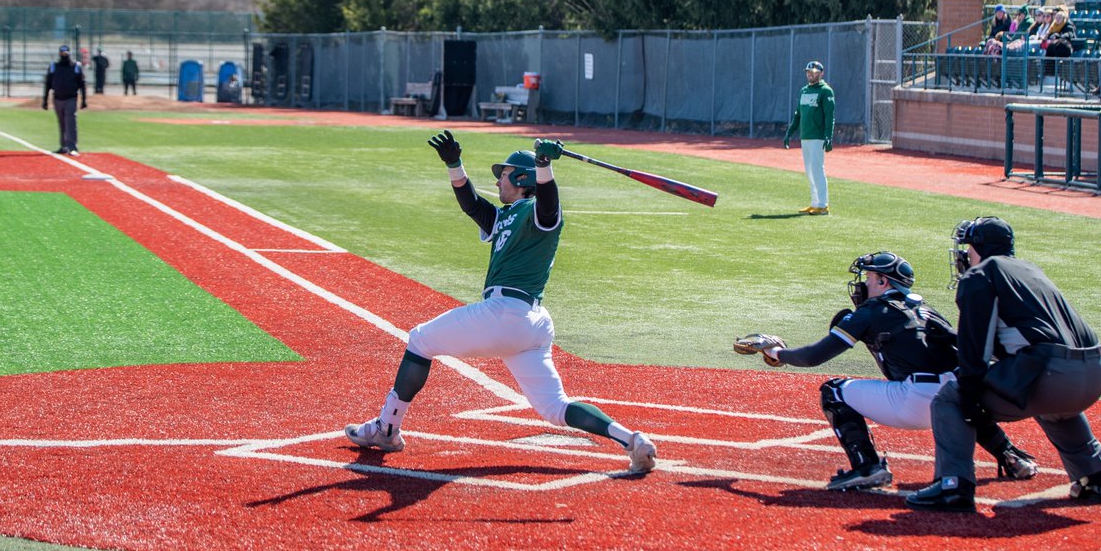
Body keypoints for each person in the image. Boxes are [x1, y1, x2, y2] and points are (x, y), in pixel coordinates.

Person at [344, 130, 658, 474]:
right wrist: (454, 165)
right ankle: (632, 441)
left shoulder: (541, 214)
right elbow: (473, 206)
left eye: (504, 174)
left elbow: (549, 203)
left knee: (420, 340)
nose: (498, 181)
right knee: (554, 406)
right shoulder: (507, 215)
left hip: (504, 313)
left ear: (523, 179)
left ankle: (387, 429)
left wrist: (543, 165)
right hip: (532, 324)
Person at [733, 252, 1037, 492]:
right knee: (960, 395)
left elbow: (815, 356)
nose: (863, 284)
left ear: (883, 281)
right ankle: (1011, 455)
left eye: (868, 277)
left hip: (915, 400)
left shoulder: (870, 311)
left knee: (834, 391)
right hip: (960, 396)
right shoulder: (926, 309)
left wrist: (776, 353)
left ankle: (867, 467)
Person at [906, 217, 1101, 512]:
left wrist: (970, 393)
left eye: (968, 247)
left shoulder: (980, 275)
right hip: (1096, 373)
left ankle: (953, 486)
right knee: (1053, 407)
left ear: (978, 247)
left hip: (1052, 374)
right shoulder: (1031, 270)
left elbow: (975, 349)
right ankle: (1096, 476)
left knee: (950, 399)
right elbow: (1035, 331)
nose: (964, 254)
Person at [783, 60, 835, 215]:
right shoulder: (804, 91)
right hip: (805, 136)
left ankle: (823, 205)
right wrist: (789, 133)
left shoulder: (825, 91)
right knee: (809, 171)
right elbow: (798, 115)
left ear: (821, 73)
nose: (811, 75)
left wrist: (828, 136)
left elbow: (829, 116)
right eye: (808, 72)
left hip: (817, 136)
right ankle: (814, 203)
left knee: (818, 169)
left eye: (814, 72)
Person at [41, 44, 87, 156]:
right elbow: (48, 83)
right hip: (57, 98)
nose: (64, 56)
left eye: (66, 54)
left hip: (71, 98)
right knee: (62, 123)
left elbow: (82, 84)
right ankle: (63, 146)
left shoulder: (76, 66)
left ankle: (72, 146)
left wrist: (84, 99)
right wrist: (45, 99)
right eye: (62, 53)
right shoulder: (54, 66)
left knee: (70, 122)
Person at [1042, 7, 1076, 78]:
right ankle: (1049, 71)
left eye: (1059, 18)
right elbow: (1051, 34)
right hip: (1055, 45)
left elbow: (1069, 34)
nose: (1057, 20)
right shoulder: (1054, 26)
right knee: (1050, 47)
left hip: (1067, 46)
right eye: (1056, 18)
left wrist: (1060, 36)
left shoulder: (1068, 24)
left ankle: (1057, 72)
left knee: (1058, 47)